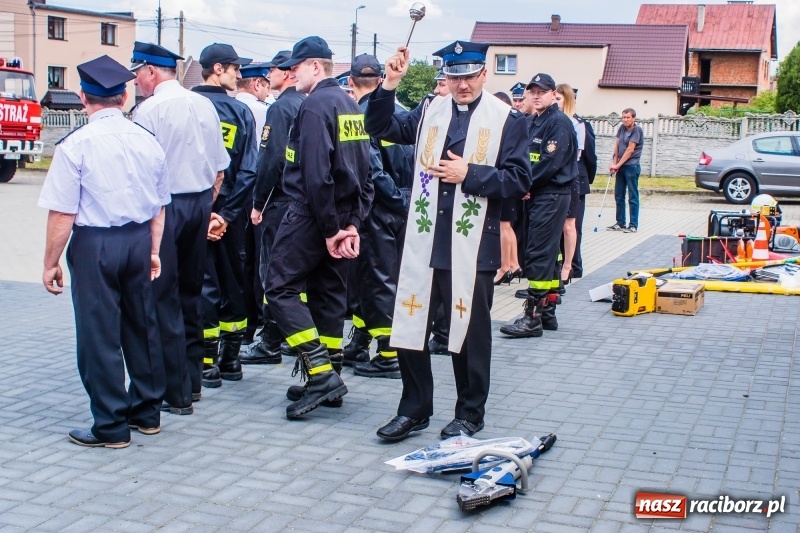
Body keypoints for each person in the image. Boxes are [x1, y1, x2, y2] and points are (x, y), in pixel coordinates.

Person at [365, 41, 531, 441]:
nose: (462, 86)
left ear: (484, 75)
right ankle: (415, 409)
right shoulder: (428, 111)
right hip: (425, 239)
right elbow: (379, 126)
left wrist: (469, 173)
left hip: (473, 244)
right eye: (454, 77)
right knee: (408, 325)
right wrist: (389, 85)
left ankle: (470, 413)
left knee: (469, 333)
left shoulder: (508, 119)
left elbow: (519, 179)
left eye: (470, 77)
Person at [39, 55, 170, 448]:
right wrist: (153, 251)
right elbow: (159, 205)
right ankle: (147, 413)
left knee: (100, 333)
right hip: (137, 240)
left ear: (83, 97)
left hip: (96, 243)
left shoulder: (74, 145)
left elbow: (63, 212)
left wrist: (50, 264)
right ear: (125, 94)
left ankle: (111, 425)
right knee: (142, 325)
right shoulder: (147, 139)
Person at [264, 36, 372, 419]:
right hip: (342, 214)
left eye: (296, 66)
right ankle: (330, 378)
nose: (290, 72)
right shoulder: (348, 103)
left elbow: (316, 174)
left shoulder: (314, 106)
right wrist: (353, 224)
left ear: (315, 66)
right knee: (328, 296)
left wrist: (329, 229)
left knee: (279, 288)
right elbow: (365, 172)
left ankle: (322, 374)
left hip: (313, 214)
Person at [131, 41, 230, 414]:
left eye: (138, 72)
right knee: (191, 292)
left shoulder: (149, 110)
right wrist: (208, 207)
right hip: (199, 202)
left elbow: (142, 172)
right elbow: (220, 167)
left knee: (162, 297)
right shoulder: (203, 104)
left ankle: (174, 393)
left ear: (151, 71)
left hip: (166, 207)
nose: (138, 80)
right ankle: (192, 382)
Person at [192, 43, 258, 388]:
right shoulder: (240, 111)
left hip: (193, 215)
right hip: (232, 219)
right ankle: (231, 360)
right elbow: (249, 171)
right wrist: (228, 216)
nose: (240, 75)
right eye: (235, 68)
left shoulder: (186, 108)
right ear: (217, 69)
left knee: (202, 283)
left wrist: (206, 215)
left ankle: (204, 363)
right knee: (233, 281)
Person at [345, 53, 414, 380]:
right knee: (389, 278)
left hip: (379, 209)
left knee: (379, 281)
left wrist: (396, 199)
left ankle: (387, 354)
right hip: (406, 208)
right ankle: (360, 342)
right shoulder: (403, 114)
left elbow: (371, 171)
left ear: (350, 82)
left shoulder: (359, 117)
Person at [500, 73, 576, 338]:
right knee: (551, 253)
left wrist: (523, 185)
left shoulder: (558, 123)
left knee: (538, 253)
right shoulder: (533, 121)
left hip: (551, 194)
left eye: (541, 92)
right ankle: (548, 313)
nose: (535, 95)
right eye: (532, 91)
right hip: (539, 194)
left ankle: (532, 316)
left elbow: (548, 163)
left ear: (554, 94)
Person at [243, 50, 305, 365]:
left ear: (288, 73)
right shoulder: (308, 103)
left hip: (279, 201)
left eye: (276, 70)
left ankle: (270, 341)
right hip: (304, 202)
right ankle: (297, 338)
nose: (271, 75)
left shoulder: (280, 108)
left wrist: (258, 203)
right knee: (298, 275)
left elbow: (270, 160)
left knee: (273, 272)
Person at [235, 62, 273, 346]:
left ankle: (245, 319)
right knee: (262, 258)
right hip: (259, 194)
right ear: (258, 84)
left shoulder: (231, 107)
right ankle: (262, 319)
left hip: (232, 194)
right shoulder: (263, 110)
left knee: (242, 259)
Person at [554, 83, 584, 285]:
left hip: (570, 178)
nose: (555, 102)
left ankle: (568, 266)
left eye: (558, 98)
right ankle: (554, 265)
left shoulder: (576, 124)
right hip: (552, 180)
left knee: (568, 225)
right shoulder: (551, 122)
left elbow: (578, 154)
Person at [608, 108, 643, 233]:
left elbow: (630, 150)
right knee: (619, 195)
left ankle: (633, 225)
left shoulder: (636, 130)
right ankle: (620, 222)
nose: (625, 120)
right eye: (623, 117)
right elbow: (617, 145)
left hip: (631, 166)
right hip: (621, 167)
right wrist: (614, 162)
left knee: (632, 196)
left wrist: (619, 164)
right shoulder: (622, 128)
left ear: (633, 118)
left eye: (628, 117)